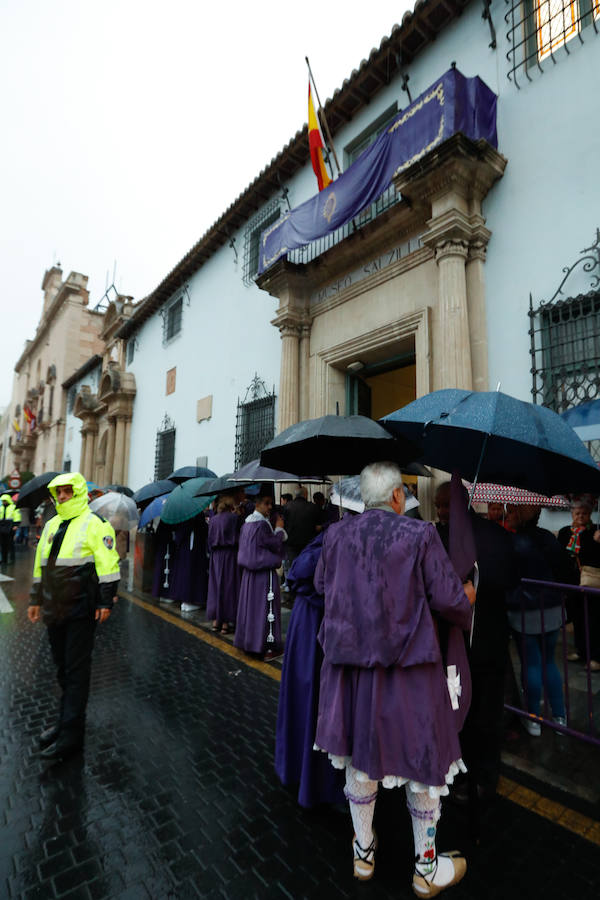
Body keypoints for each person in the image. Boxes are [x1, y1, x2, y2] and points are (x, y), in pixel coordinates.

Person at [314, 462, 475, 895]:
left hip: (350, 671)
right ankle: (425, 869)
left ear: (366, 498)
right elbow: (450, 602)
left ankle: (363, 853)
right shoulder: (419, 535)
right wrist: (468, 596)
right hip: (409, 673)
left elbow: (322, 585)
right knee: (423, 766)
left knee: (359, 762)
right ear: (399, 497)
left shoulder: (335, 536)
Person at [27, 472, 120, 759]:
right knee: (62, 669)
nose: (63, 497)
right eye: (60, 493)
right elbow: (40, 563)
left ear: (78, 492)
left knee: (76, 672)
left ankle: (71, 734)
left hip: (81, 609)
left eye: (68, 492)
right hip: (54, 608)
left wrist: (105, 602)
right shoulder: (52, 524)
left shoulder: (95, 524)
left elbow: (108, 565)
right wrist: (35, 598)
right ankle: (64, 723)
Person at [434, 481, 517, 803]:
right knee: (464, 713)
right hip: (464, 643)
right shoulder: (443, 537)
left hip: (479, 640)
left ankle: (481, 778)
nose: (441, 511)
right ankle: (466, 774)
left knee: (482, 714)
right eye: (438, 505)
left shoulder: (474, 538)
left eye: (445, 505)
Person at [275, 531, 345, 808]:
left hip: (307, 628)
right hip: (328, 630)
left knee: (307, 699)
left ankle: (297, 770)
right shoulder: (345, 544)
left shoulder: (323, 540)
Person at [507, 505, 574, 735]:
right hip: (552, 609)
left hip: (524, 613)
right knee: (549, 663)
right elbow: (566, 571)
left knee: (532, 664)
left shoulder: (513, 543)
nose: (508, 512)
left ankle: (533, 719)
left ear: (522, 513)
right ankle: (559, 718)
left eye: (512, 509)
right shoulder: (547, 538)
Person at [234, 485, 286, 659]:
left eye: (271, 503)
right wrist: (279, 528)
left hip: (249, 575)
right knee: (265, 610)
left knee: (252, 610)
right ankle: (268, 647)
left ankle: (249, 642)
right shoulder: (262, 525)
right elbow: (275, 544)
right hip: (264, 573)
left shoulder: (247, 522)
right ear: (258, 504)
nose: (270, 507)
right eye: (267, 503)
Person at [557, 498, 600, 671]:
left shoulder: (596, 531)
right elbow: (560, 554)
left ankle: (596, 657)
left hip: (590, 580)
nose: (581, 516)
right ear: (572, 514)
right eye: (577, 513)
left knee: (594, 619)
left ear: (590, 514)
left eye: (585, 513)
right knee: (577, 618)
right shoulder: (565, 531)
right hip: (571, 581)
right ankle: (581, 651)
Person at [206, 494, 242, 633]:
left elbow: (209, 540)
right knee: (228, 587)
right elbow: (239, 537)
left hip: (216, 556)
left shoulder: (213, 520)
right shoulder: (234, 519)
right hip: (230, 555)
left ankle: (216, 621)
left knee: (216, 587)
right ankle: (226, 623)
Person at [0, 493, 17, 564]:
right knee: (2, 544)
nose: (4, 502)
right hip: (1, 527)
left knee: (10, 544)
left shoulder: (13, 507)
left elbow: (17, 516)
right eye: (3, 501)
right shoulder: (1, 508)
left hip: (10, 527)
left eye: (5, 501)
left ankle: (12, 559)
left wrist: (16, 525)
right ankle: (4, 559)